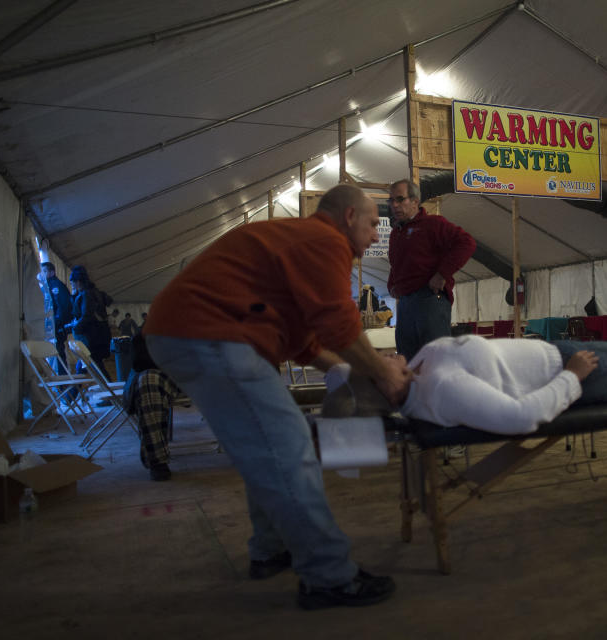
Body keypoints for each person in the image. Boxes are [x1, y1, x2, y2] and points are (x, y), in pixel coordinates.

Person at [143, 183, 410, 610]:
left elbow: (306, 341)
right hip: (210, 332)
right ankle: (328, 576)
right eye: (373, 223)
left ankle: (271, 549)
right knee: (289, 449)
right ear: (347, 218)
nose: (377, 235)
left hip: (194, 331)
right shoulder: (325, 241)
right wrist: (387, 377)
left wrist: (347, 371)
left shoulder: (298, 241)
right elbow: (339, 326)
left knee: (272, 446)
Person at [324, 333, 607, 436]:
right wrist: (572, 376)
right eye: (376, 364)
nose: (382, 355)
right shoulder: (441, 390)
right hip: (584, 371)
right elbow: (521, 418)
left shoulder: (420, 368)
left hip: (560, 349)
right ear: (386, 387)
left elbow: (338, 379)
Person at [387, 179, 475, 360]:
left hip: (429, 300)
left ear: (415, 201)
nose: (394, 205)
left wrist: (442, 273)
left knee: (435, 361)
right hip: (405, 304)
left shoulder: (433, 224)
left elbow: (467, 243)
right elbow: (396, 263)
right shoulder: (396, 233)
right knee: (407, 360)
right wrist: (392, 285)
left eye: (400, 199)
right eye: (391, 200)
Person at [122, 332, 181, 481]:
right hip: (160, 373)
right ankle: (157, 460)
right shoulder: (147, 334)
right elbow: (140, 363)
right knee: (149, 381)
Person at [65, 265, 113, 381]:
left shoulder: (86, 294)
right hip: (98, 336)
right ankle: (111, 394)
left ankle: (112, 394)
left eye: (73, 283)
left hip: (92, 338)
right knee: (93, 366)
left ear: (78, 281)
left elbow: (87, 316)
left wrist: (75, 327)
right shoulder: (94, 292)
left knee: (92, 366)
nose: (73, 285)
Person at [39, 262, 73, 373]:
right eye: (41, 271)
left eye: (45, 271)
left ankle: (63, 383)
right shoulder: (46, 286)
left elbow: (64, 307)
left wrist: (57, 323)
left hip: (57, 328)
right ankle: (59, 382)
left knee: (58, 353)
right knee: (53, 354)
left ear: (52, 272)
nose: (42, 274)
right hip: (51, 327)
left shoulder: (56, 286)